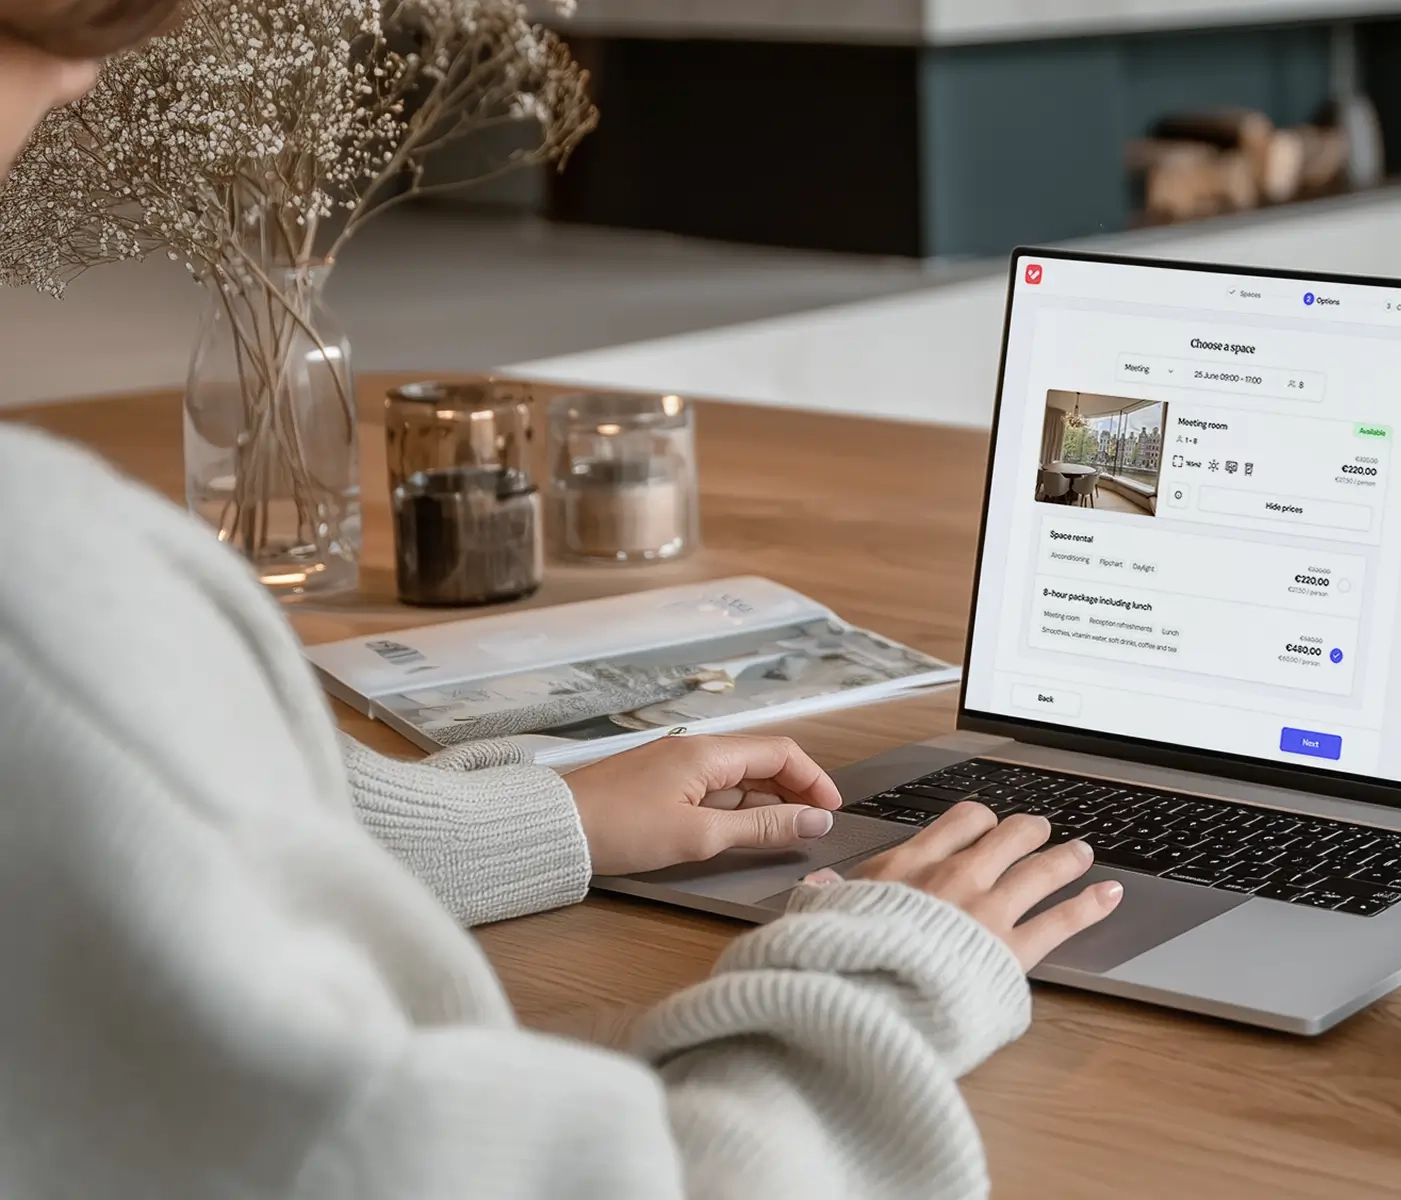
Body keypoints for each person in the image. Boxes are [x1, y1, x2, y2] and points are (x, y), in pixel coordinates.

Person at [0, 3, 1118, 1196]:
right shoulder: (52, 609)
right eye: (35, 36)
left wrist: (539, 818)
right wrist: (884, 976)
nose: (81, 84)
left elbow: (153, 836)